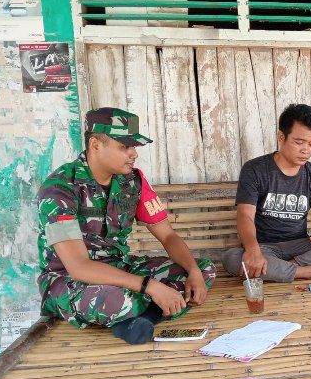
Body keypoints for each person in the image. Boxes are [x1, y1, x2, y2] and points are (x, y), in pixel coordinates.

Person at [37, 108, 217, 345]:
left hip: (120, 267)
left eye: (135, 147)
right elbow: (79, 267)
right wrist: (150, 286)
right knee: (116, 300)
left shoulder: (133, 182)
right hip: (70, 279)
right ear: (95, 144)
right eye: (125, 146)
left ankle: (136, 320)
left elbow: (168, 236)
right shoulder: (60, 189)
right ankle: (144, 311)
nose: (134, 154)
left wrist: (193, 271)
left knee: (203, 270)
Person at [223, 104, 311, 282]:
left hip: (301, 246)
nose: (306, 150)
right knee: (232, 258)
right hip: (264, 247)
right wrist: (253, 250)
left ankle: (285, 269)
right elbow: (245, 216)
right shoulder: (255, 169)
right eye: (299, 142)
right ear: (281, 137)